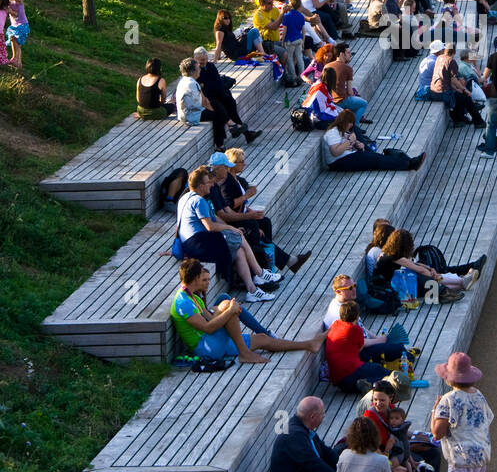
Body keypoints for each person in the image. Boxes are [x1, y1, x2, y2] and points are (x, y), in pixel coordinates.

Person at [169, 259, 324, 366]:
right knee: (228, 307)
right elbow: (208, 328)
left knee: (262, 339)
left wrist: (224, 310)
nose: (206, 281)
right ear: (195, 278)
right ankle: (244, 353)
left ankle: (309, 344)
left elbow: (210, 319)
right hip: (206, 348)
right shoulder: (184, 303)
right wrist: (229, 311)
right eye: (203, 278)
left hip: (214, 341)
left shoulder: (193, 296)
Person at [175, 167, 279, 302]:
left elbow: (183, 224)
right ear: (201, 186)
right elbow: (210, 226)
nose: (212, 185)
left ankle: (252, 289)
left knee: (239, 250)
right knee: (239, 236)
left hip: (190, 243)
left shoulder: (185, 198)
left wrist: (229, 229)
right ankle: (260, 273)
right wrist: (230, 228)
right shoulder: (199, 201)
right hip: (198, 243)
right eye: (208, 183)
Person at [268, 396, 340, 472]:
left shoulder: (304, 429)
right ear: (312, 417)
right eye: (322, 413)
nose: (324, 415)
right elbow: (313, 464)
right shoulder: (294, 436)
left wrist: (343, 467)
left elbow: (326, 453)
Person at [325, 301, 408, 393]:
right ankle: (399, 382)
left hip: (338, 379)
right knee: (377, 369)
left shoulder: (335, 324)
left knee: (368, 372)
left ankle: (362, 385)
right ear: (357, 316)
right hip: (351, 371)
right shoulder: (355, 329)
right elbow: (360, 348)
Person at [322, 109, 426, 172]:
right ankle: (409, 164)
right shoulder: (332, 133)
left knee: (376, 157)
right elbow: (335, 152)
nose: (352, 125)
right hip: (338, 163)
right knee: (376, 160)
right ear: (344, 121)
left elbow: (344, 146)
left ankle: (408, 162)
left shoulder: (343, 131)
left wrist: (357, 145)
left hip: (349, 156)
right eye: (350, 123)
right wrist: (349, 141)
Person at [176, 56, 227, 149]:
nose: (200, 69)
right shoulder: (193, 84)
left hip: (184, 113)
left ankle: (226, 132)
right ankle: (220, 145)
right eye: (198, 68)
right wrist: (213, 111)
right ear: (193, 71)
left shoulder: (183, 80)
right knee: (218, 116)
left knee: (216, 105)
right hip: (191, 116)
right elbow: (204, 103)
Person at [430, 43, 484, 129]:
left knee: (459, 94)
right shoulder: (451, 61)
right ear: (454, 52)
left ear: (444, 51)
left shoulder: (439, 58)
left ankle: (460, 119)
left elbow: (445, 78)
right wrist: (464, 90)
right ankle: (478, 121)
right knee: (464, 96)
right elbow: (453, 80)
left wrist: (458, 89)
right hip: (443, 93)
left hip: (434, 91)